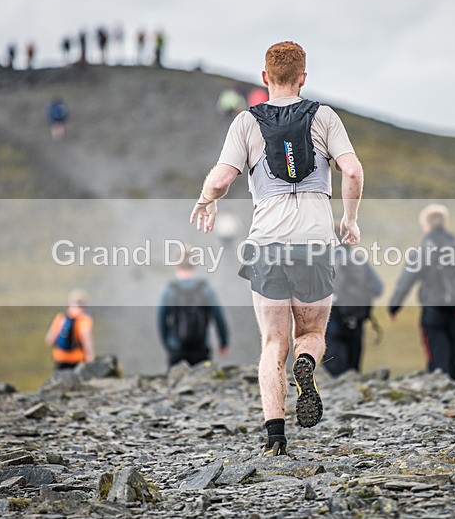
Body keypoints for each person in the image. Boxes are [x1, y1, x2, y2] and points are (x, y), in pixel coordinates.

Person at [190, 41, 364, 456]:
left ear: (265, 77)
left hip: (267, 246)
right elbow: (353, 171)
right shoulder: (324, 116)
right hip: (315, 245)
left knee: (272, 342)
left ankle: (275, 439)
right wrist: (350, 219)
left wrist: (205, 200)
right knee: (312, 332)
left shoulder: (246, 122)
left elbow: (220, 179)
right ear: (303, 77)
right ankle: (306, 364)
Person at [388, 204, 455, 380]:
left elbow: (406, 280)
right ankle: (454, 396)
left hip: (432, 313)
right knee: (453, 360)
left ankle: (440, 394)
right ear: (445, 224)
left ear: (426, 226)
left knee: (437, 361)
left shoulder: (423, 251)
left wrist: (394, 307)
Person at [323, 224, 383, 377]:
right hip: (357, 319)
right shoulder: (360, 261)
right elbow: (378, 288)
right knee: (353, 370)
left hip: (333, 320)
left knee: (334, 372)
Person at [157, 248, 229, 367]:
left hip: (176, 350)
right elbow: (218, 317)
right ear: (193, 263)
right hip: (200, 348)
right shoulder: (206, 289)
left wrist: (167, 343)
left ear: (177, 264)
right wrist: (224, 342)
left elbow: (161, 320)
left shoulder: (169, 290)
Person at [44, 289, 95, 370]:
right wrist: (91, 358)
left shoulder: (60, 318)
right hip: (78, 360)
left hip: (60, 358)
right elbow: (86, 340)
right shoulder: (84, 320)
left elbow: (49, 340)